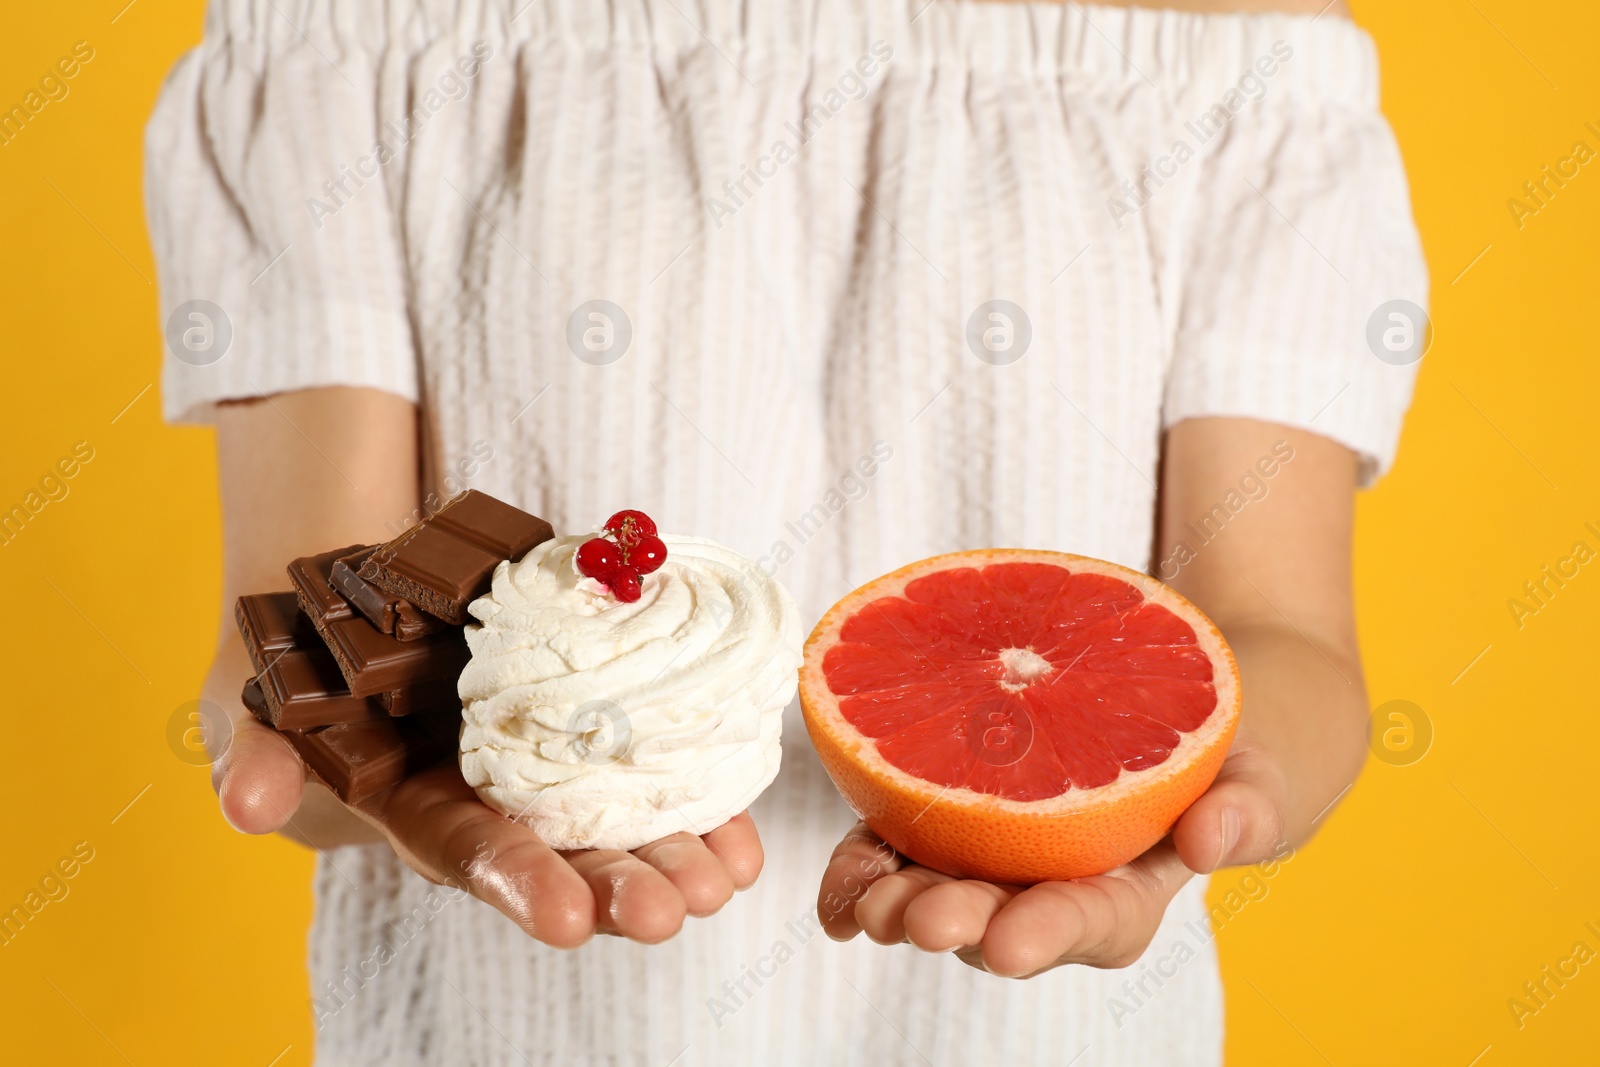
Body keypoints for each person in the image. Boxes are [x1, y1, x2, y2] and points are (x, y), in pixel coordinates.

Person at [146, 0, 1425, 1063]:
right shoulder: (359, 56)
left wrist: (1228, 783)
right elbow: (304, 646)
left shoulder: (1237, 81)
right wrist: (322, 749)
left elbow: (1277, 634)